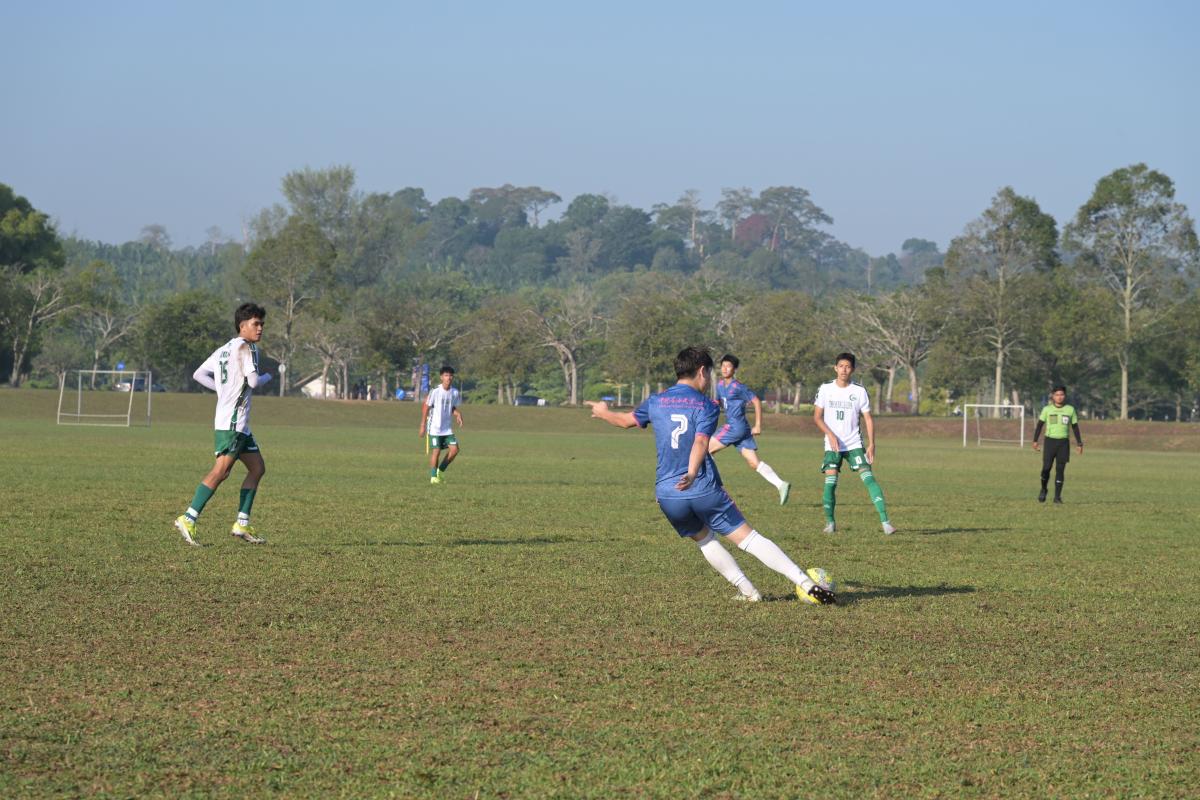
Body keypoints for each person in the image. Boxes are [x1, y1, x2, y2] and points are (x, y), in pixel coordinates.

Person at [587, 346, 836, 604]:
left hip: (668, 494)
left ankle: (749, 592)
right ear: (702, 371)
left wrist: (603, 413)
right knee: (748, 539)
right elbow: (700, 442)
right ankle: (807, 584)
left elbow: (624, 421)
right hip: (702, 487)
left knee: (704, 540)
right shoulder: (707, 405)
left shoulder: (656, 401)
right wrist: (692, 472)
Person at [174, 303, 273, 546]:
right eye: (256, 324)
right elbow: (253, 382)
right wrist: (268, 376)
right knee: (221, 471)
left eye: (262, 324)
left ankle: (242, 523)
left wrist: (222, 391)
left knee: (257, 468)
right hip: (233, 422)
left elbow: (199, 374)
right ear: (243, 326)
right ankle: (188, 518)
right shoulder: (247, 348)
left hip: (238, 424)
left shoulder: (224, 349)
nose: (260, 328)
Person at [813, 352, 896, 535]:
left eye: (848, 367)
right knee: (830, 483)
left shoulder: (859, 391)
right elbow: (817, 417)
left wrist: (872, 444)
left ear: (853, 370)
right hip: (832, 445)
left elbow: (868, 418)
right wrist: (830, 435)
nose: (844, 370)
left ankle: (886, 523)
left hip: (854, 444)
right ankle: (830, 523)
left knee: (869, 478)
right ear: (835, 368)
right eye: (841, 366)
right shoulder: (825, 389)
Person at [709, 354, 791, 505]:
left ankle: (714, 489)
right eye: (723, 365)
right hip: (742, 429)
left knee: (705, 450)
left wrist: (758, 425)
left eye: (729, 366)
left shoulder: (738, 387)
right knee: (754, 463)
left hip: (734, 427)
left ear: (734, 369)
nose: (725, 368)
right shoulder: (720, 385)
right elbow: (718, 402)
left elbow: (756, 401)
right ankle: (781, 484)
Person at [1032, 385, 1083, 503]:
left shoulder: (1070, 409)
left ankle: (1057, 497)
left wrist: (1079, 443)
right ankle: (1043, 489)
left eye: (1062, 394)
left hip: (1063, 443)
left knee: (1060, 469)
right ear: (1053, 396)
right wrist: (1035, 441)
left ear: (1065, 396)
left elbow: (1075, 427)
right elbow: (1039, 425)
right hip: (1050, 441)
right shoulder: (1047, 409)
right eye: (1057, 395)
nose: (1059, 397)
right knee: (1046, 468)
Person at [419, 365, 464, 484]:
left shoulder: (455, 392)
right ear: (441, 377)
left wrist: (458, 414)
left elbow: (451, 407)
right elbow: (426, 407)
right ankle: (433, 477)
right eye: (446, 375)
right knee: (437, 451)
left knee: (455, 450)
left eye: (450, 375)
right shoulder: (435, 391)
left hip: (447, 428)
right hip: (435, 427)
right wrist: (422, 425)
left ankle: (441, 471)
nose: (448, 378)